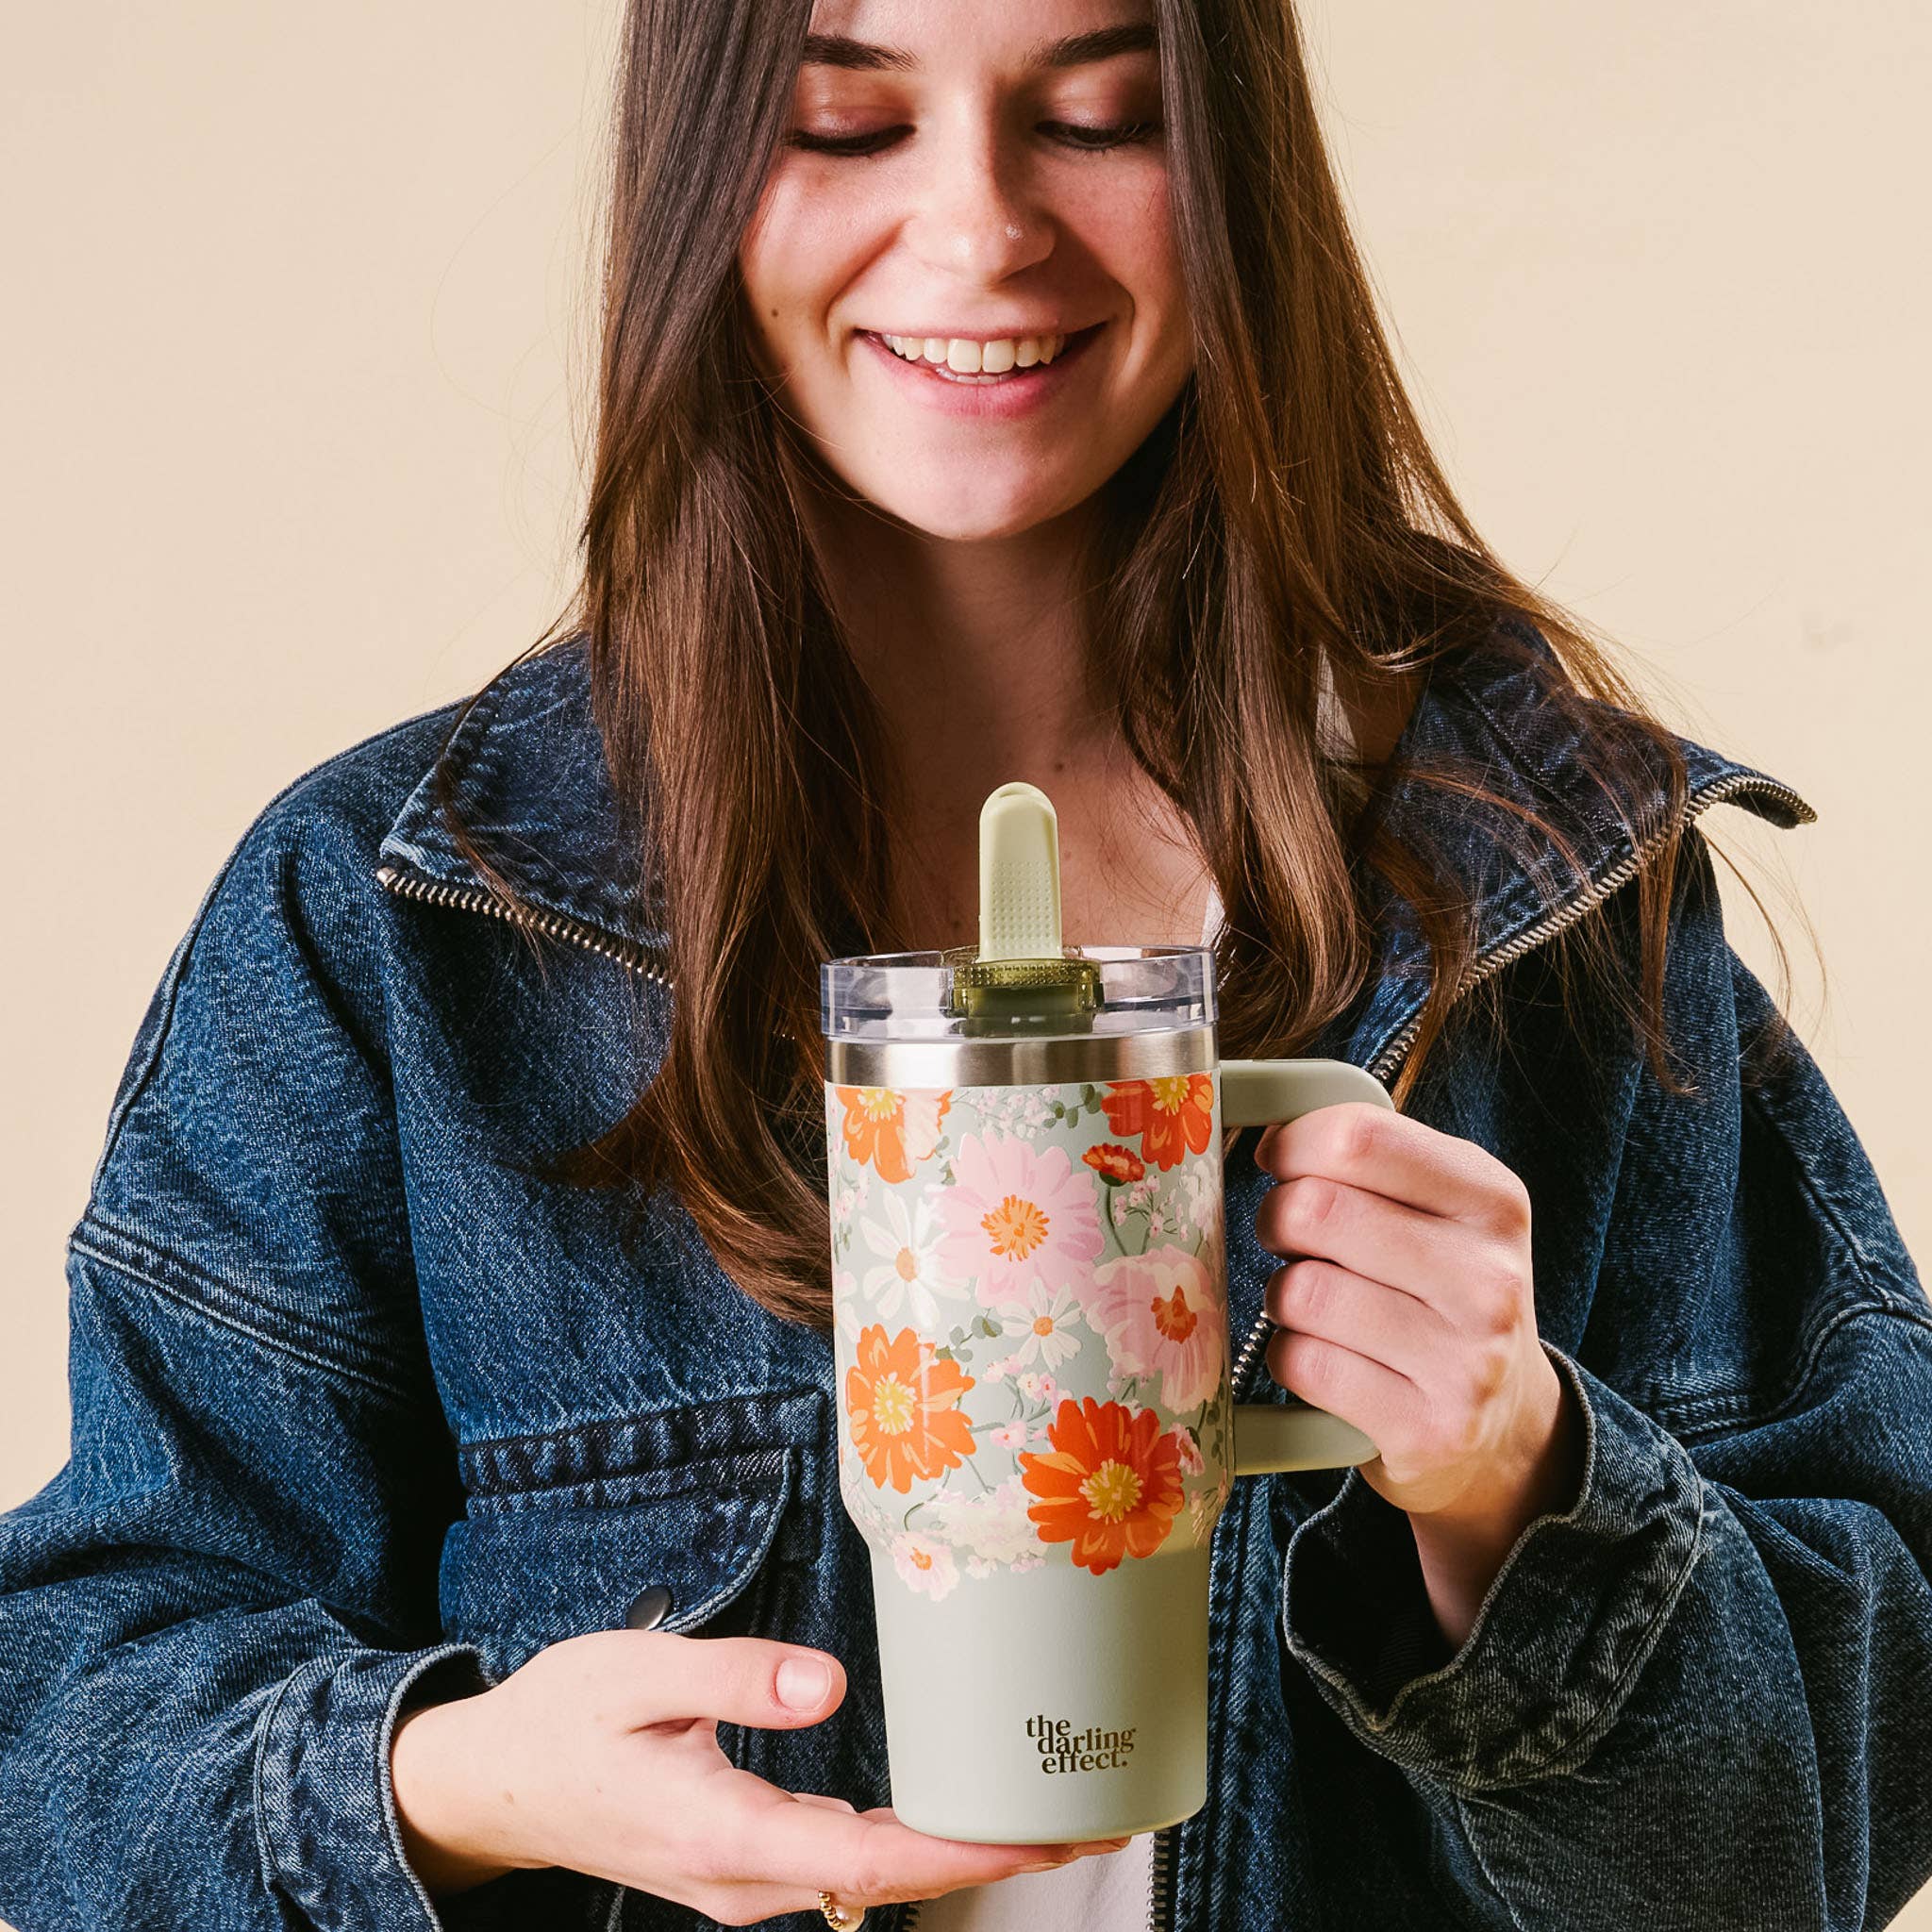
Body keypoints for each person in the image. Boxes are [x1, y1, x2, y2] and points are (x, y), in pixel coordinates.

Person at [3, 0, 1929, 1927]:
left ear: (1234, 164)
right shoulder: (405, 925)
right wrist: (456, 1785)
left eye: (1096, 115)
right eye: (847, 126)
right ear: (699, 179)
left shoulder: (1554, 898)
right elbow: (62, 1736)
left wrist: (1526, 1484)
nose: (981, 229)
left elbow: (1841, 1820)